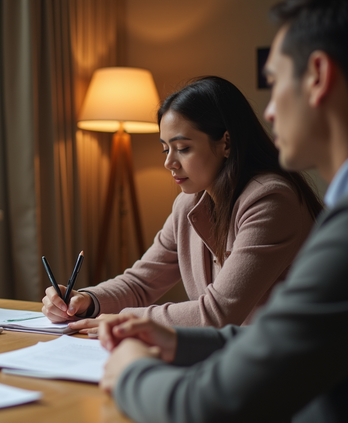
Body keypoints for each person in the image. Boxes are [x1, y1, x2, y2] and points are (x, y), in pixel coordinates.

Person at [98, 0, 348, 421]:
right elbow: (275, 340)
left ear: (318, 77)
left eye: (274, 81)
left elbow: (209, 403)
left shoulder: (282, 202)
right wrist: (92, 302)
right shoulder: (190, 205)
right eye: (166, 149)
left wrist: (130, 373)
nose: (268, 111)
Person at [42, 75, 323, 329]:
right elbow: (140, 283)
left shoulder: (270, 200)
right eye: (165, 149)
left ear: (226, 143)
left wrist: (123, 320)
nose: (169, 163)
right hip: (234, 357)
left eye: (183, 148)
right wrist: (86, 301)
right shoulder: (189, 205)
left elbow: (218, 314)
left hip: (296, 368)